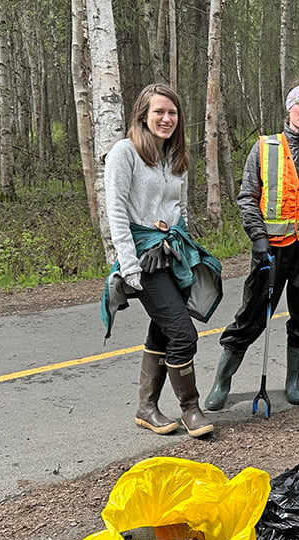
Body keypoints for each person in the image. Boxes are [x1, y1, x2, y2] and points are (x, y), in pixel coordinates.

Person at [205, 83, 299, 410]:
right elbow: (247, 198)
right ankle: (222, 381)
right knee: (251, 315)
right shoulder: (265, 148)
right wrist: (257, 236)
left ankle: (293, 380)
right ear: (289, 109)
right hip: (271, 250)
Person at [102, 83, 223, 438]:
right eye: (159, 112)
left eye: (172, 113)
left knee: (163, 326)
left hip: (170, 252)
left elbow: (178, 209)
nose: (167, 119)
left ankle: (146, 408)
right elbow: (117, 212)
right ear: (143, 115)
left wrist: (180, 240)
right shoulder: (124, 153)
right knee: (182, 333)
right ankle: (191, 409)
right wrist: (129, 265)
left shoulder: (175, 157)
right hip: (143, 258)